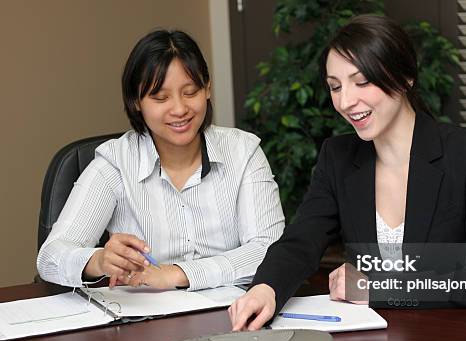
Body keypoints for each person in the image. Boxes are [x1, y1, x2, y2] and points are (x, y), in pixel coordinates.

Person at [228, 15, 466, 331]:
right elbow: (302, 240)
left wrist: (378, 288)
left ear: (405, 77)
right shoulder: (337, 156)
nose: (347, 101)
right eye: (335, 87)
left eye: (362, 81)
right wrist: (265, 288)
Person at [37, 30, 284, 290]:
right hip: (145, 323)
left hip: (234, 316)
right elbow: (50, 257)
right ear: (136, 102)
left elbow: (271, 247)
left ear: (207, 89)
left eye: (190, 92)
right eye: (160, 98)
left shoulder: (243, 152)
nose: (179, 109)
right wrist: (97, 260)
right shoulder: (115, 163)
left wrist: (177, 274)